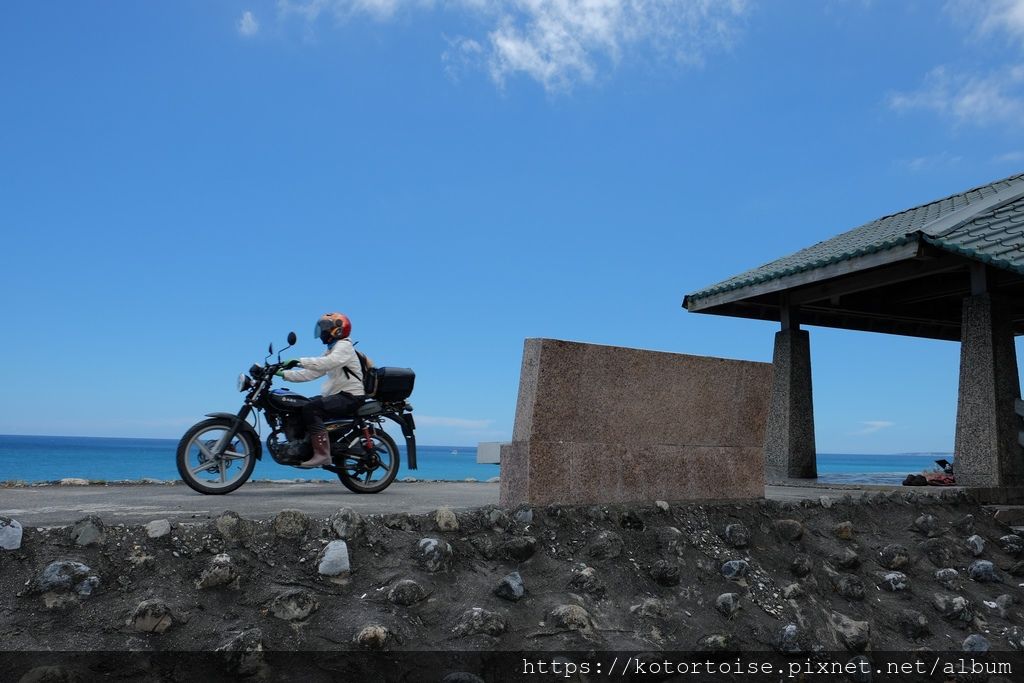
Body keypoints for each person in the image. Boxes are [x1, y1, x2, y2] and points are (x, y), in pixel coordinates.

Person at [276, 312, 365, 468]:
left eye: (325, 328)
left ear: (337, 329)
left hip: (351, 397)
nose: (322, 332)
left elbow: (328, 363)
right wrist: (284, 374)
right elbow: (312, 373)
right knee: (302, 405)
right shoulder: (332, 350)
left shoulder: (344, 346)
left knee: (312, 409)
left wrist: (299, 361)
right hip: (339, 395)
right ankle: (303, 445)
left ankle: (322, 455)